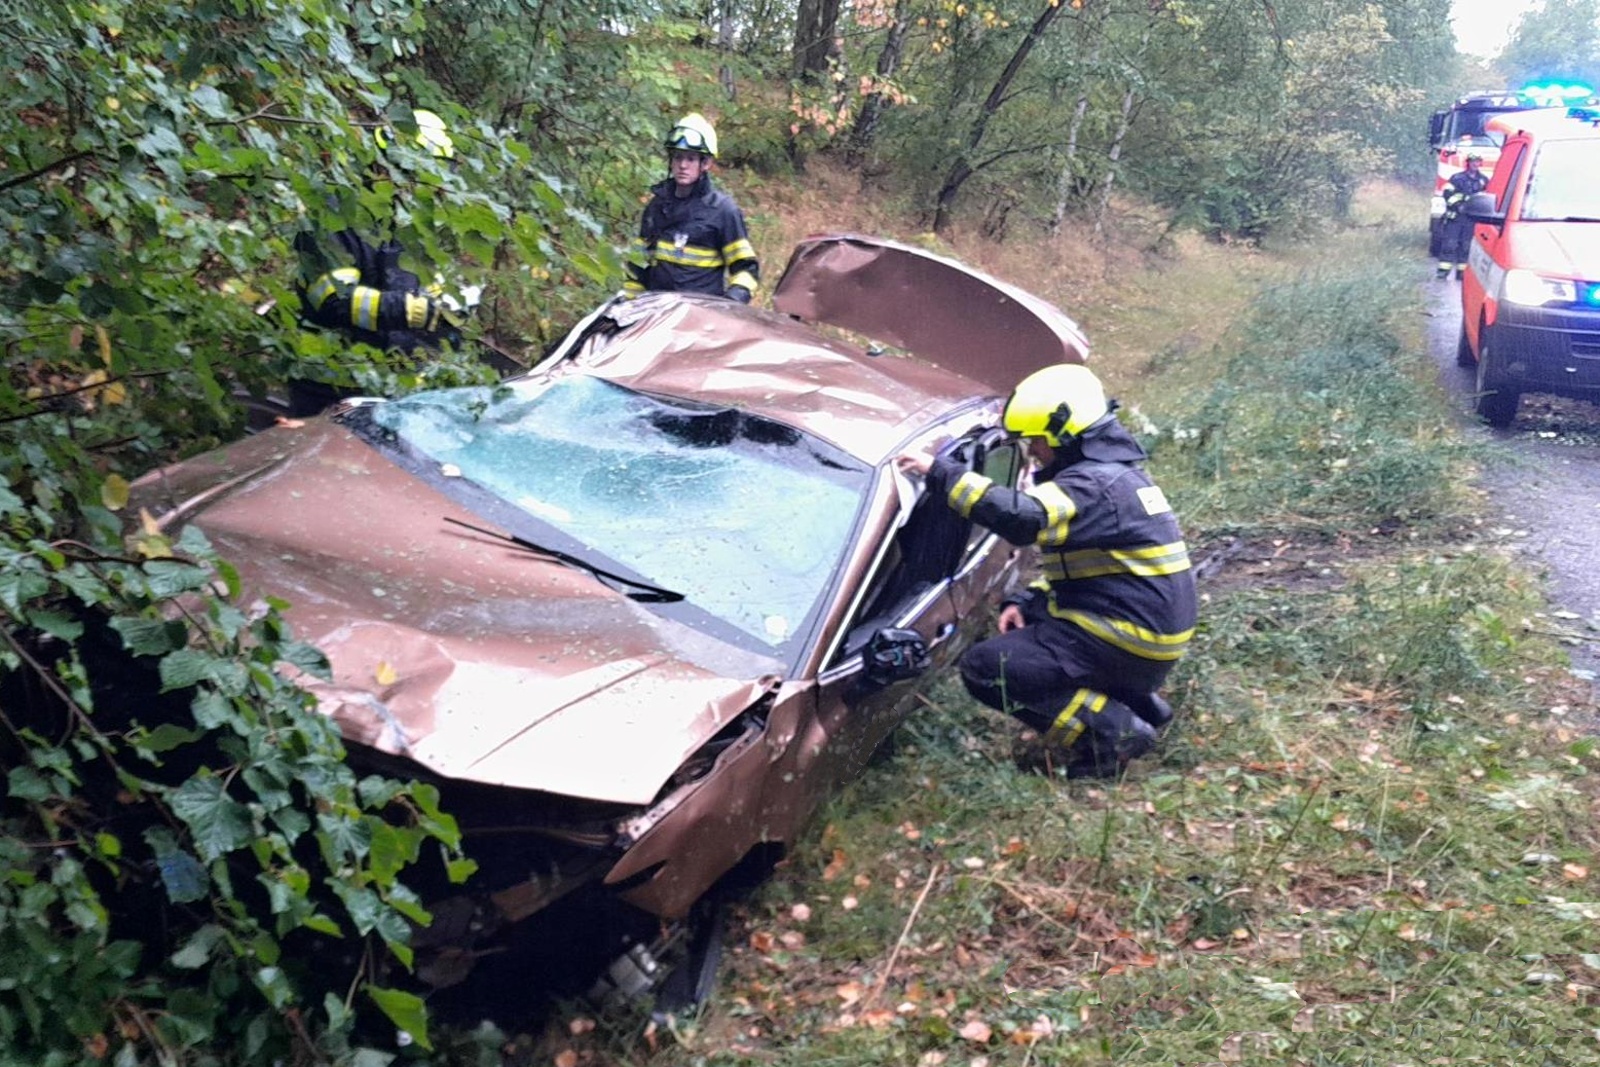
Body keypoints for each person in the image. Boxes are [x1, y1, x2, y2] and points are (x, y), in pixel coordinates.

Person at [896, 364, 1197, 779]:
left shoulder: (1092, 486)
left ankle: (1115, 736)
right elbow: (1085, 573)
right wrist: (1029, 599)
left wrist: (941, 473)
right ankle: (1138, 702)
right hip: (1143, 632)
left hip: (1127, 637)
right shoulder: (1118, 478)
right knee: (1031, 635)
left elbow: (1022, 519)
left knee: (987, 668)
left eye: (1035, 440)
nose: (1032, 451)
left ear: (1064, 435)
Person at [291, 109, 465, 416]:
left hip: (392, 387)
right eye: (422, 175)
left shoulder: (410, 225)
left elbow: (429, 290)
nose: (433, 190)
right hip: (328, 386)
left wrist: (450, 312)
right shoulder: (333, 215)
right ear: (385, 167)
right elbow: (334, 301)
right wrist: (412, 311)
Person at [623, 113, 760, 304]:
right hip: (656, 313)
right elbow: (638, 265)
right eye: (678, 157)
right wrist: (630, 304)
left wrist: (731, 303)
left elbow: (746, 269)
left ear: (706, 163)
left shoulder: (723, 211)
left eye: (690, 158)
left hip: (701, 319)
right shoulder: (657, 207)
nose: (682, 165)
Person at [1437, 153, 1488, 281]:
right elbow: (1447, 193)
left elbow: (1486, 197)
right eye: (1473, 161)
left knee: (1467, 246)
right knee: (1450, 244)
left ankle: (1462, 273)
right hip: (1455, 218)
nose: (1475, 164)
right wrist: (1459, 205)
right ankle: (1443, 272)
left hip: (1472, 219)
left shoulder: (1484, 180)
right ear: (1468, 163)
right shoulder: (1457, 178)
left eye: (1477, 161)